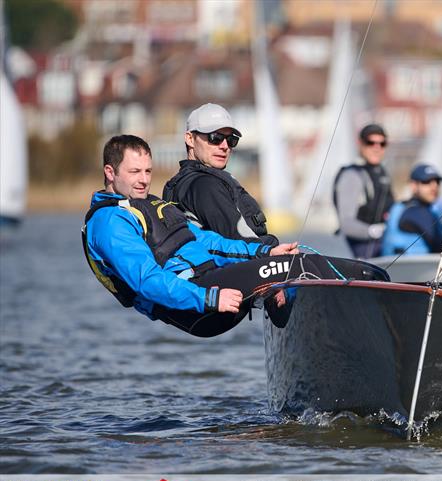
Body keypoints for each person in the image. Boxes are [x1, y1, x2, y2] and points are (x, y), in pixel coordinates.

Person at [83, 135, 386, 338]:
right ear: (110, 172)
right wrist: (208, 297)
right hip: (196, 303)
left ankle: (372, 295)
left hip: (213, 281)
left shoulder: (149, 205)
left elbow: (208, 243)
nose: (144, 180)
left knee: (292, 260)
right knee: (299, 267)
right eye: (135, 172)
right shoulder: (109, 223)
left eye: (148, 171)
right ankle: (375, 315)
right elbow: (146, 282)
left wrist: (263, 253)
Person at [163, 103, 276, 246]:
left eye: (231, 140)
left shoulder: (182, 183)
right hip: (234, 265)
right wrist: (273, 249)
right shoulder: (205, 186)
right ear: (190, 139)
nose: (224, 146)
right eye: (215, 137)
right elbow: (240, 241)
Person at [333, 124, 394, 259]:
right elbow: (346, 224)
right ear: (361, 144)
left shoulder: (383, 173)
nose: (377, 148)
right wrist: (375, 231)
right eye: (371, 143)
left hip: (384, 246)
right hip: (363, 251)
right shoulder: (352, 176)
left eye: (382, 143)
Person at [381, 163, 442, 256]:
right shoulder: (414, 211)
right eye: (426, 182)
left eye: (437, 181)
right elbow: (439, 244)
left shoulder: (400, 207)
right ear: (413, 186)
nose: (434, 186)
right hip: (411, 268)